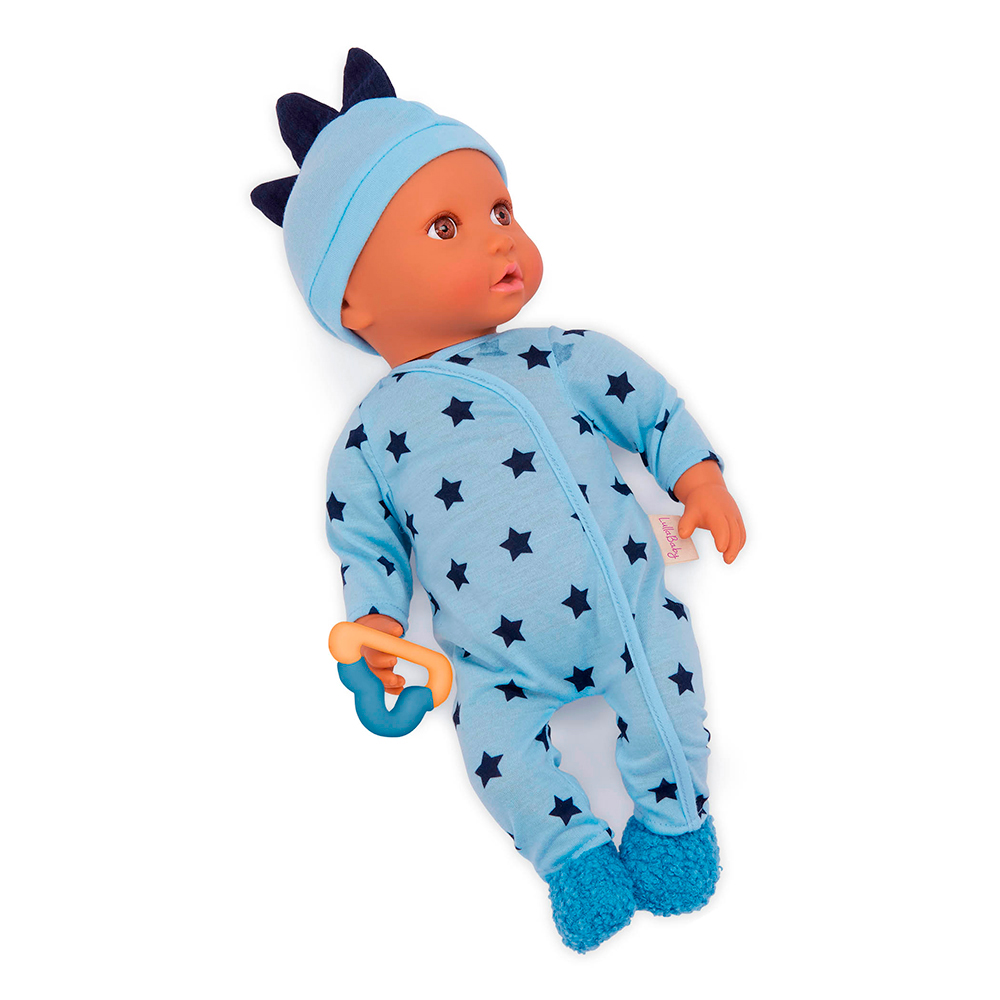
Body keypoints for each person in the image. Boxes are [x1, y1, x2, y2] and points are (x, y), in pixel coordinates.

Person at [252, 48, 745, 953]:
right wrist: (378, 631)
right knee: (497, 755)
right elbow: (365, 546)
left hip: (624, 609)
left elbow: (648, 406)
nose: (498, 239)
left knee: (670, 705)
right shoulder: (368, 438)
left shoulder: (555, 353)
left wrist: (697, 478)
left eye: (501, 212)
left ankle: (676, 828)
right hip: (491, 663)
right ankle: (575, 861)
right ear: (352, 299)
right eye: (446, 227)